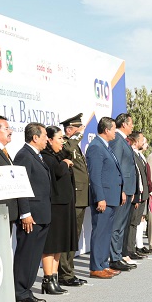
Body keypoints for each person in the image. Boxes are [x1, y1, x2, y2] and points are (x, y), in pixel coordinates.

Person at [12, 122, 51, 302]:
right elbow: (20, 187)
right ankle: (19, 292)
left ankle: (26, 290)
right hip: (31, 216)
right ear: (35, 137)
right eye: (44, 136)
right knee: (26, 254)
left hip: (41, 213)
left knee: (34, 255)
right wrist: (25, 213)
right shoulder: (24, 155)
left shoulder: (37, 155)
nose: (47, 140)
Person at [40, 126, 77, 295]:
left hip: (64, 204)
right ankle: (47, 279)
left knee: (59, 245)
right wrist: (64, 164)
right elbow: (57, 172)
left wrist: (64, 160)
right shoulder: (47, 157)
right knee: (51, 244)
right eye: (60, 138)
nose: (63, 142)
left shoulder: (58, 155)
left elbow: (67, 156)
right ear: (49, 140)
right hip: (54, 206)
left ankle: (54, 277)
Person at [85, 117, 123, 279]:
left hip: (112, 197)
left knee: (106, 232)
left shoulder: (105, 146)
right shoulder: (95, 147)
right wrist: (100, 197)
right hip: (104, 199)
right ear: (106, 130)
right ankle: (96, 267)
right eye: (114, 129)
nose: (115, 132)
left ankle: (103, 264)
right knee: (100, 232)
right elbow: (95, 176)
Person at [58, 113, 89, 287]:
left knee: (74, 237)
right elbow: (66, 150)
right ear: (70, 129)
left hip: (81, 196)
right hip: (74, 195)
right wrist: (77, 135)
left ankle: (69, 271)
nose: (82, 132)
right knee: (68, 236)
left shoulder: (75, 145)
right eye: (78, 129)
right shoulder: (66, 142)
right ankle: (65, 273)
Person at [108, 113, 137, 272]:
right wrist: (121, 189)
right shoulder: (117, 141)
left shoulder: (123, 141)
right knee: (117, 225)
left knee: (121, 225)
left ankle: (118, 256)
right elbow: (116, 166)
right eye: (130, 123)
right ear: (124, 124)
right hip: (122, 189)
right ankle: (114, 258)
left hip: (128, 188)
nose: (132, 126)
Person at [126, 131, 149, 261]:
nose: (143, 143)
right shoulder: (132, 155)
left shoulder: (139, 156)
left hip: (141, 193)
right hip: (136, 194)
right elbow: (134, 176)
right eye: (141, 140)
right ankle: (129, 249)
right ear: (135, 141)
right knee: (132, 223)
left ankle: (132, 248)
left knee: (135, 222)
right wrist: (136, 195)